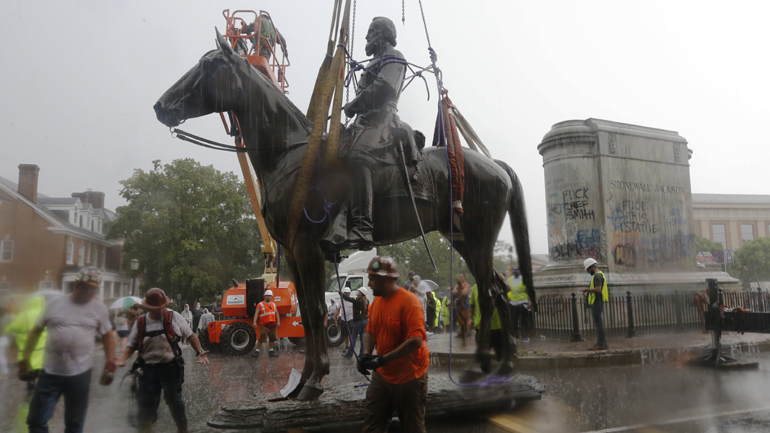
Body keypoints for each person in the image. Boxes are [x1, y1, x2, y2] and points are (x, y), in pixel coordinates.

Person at [331, 16, 420, 250]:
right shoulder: (375, 60)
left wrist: (354, 105)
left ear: (383, 34)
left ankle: (363, 228)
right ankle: (338, 221)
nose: (367, 37)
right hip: (363, 121)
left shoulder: (395, 56)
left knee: (359, 156)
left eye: (371, 32)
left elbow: (385, 88)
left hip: (383, 120)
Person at [21, 267, 114, 433]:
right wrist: (24, 359)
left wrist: (110, 365)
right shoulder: (54, 304)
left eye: (94, 288)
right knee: (36, 420)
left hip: (80, 375)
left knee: (74, 425)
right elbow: (35, 331)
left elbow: (108, 336)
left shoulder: (98, 308)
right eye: (88, 287)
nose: (91, 291)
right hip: (50, 372)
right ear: (77, 284)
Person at [116, 287, 209, 433]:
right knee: (146, 405)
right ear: (148, 307)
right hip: (148, 370)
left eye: (161, 307)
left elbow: (191, 336)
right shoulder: (141, 322)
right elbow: (131, 345)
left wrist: (200, 352)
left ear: (165, 304)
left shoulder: (175, 317)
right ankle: (147, 428)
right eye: (155, 308)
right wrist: (121, 358)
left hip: (171, 368)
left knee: (175, 401)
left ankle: (182, 428)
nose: (159, 311)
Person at [357, 255, 429, 433]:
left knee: (413, 428)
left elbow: (416, 341)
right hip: (383, 377)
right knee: (372, 426)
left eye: (372, 279)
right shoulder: (376, 303)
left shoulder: (409, 302)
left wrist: (382, 360)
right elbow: (370, 332)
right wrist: (366, 354)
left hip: (409, 377)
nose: (369, 283)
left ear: (384, 279)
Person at [5, 295, 47, 390]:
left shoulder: (24, 315)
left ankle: (30, 384)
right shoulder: (44, 314)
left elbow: (10, 329)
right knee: (40, 367)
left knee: (28, 370)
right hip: (41, 350)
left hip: (27, 350)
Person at [469, 283, 503, 366]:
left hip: (496, 327)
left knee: (500, 354)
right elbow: (472, 304)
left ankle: (501, 374)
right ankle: (485, 372)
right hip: (480, 327)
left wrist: (503, 281)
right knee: (483, 355)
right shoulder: (475, 287)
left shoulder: (497, 286)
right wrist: (470, 318)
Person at [580, 258, 608, 350]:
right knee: (599, 323)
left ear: (592, 267)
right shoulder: (600, 275)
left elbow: (598, 289)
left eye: (588, 270)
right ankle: (603, 343)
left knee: (598, 323)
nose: (588, 272)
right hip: (597, 302)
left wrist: (586, 289)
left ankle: (600, 344)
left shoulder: (597, 276)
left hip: (597, 302)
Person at [251, 290, 280, 358]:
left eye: (270, 296)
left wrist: (278, 322)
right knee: (261, 338)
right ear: (264, 296)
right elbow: (256, 314)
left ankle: (271, 351)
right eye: (268, 296)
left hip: (272, 324)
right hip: (264, 325)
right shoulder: (260, 304)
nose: (269, 297)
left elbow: (277, 314)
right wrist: (254, 322)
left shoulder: (273, 304)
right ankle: (257, 352)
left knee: (272, 338)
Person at [341, 288, 369, 358]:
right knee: (362, 338)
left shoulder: (358, 300)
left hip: (358, 321)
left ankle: (350, 354)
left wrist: (341, 293)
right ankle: (362, 354)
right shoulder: (366, 301)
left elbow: (349, 299)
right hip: (364, 321)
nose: (357, 292)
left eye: (358, 292)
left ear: (361, 293)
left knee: (353, 338)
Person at [507, 267, 532, 343]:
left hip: (523, 302)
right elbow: (507, 289)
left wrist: (529, 302)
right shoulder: (510, 279)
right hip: (513, 303)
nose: (515, 272)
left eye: (517, 271)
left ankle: (525, 337)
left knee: (524, 321)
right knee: (513, 321)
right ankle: (515, 336)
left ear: (520, 272)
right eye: (514, 271)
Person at [453, 274, 472, 342]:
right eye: (459, 277)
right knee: (459, 318)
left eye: (461, 277)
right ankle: (461, 332)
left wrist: (459, 290)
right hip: (459, 302)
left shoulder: (467, 285)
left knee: (466, 317)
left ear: (464, 277)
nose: (460, 278)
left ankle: (468, 332)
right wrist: (460, 290)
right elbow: (454, 291)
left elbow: (465, 292)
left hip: (465, 302)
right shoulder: (458, 284)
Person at [339, 287, 355, 354]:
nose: (346, 295)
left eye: (347, 293)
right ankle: (347, 345)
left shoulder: (352, 301)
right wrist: (336, 318)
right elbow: (338, 309)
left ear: (349, 294)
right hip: (343, 319)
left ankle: (351, 346)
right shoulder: (341, 301)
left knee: (350, 333)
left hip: (350, 319)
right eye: (345, 293)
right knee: (345, 334)